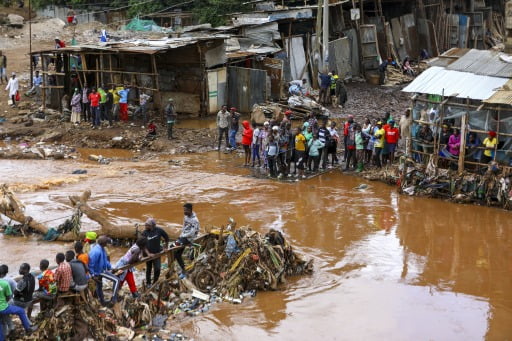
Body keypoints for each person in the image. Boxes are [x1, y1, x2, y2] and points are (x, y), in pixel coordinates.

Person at [0, 266, 37, 338]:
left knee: (1, 321)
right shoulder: (6, 282)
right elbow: (9, 296)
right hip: (3, 306)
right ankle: (28, 329)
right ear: (6, 272)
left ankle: (4, 335)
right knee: (21, 311)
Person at [89, 236, 119, 306]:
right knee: (117, 280)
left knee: (99, 286)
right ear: (104, 243)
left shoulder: (101, 248)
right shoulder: (96, 251)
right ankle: (113, 300)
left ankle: (102, 302)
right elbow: (90, 264)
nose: (107, 244)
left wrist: (111, 268)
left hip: (100, 270)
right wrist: (93, 275)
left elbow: (105, 261)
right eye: (106, 242)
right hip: (99, 272)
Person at [174, 203, 200, 279]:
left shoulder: (195, 220)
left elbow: (193, 232)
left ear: (190, 210)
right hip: (184, 237)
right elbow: (184, 227)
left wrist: (183, 236)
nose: (184, 211)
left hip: (190, 238)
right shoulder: (185, 217)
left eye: (185, 210)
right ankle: (183, 270)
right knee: (177, 254)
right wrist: (181, 235)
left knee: (174, 246)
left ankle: (184, 271)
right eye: (184, 210)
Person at [141, 218, 169, 286]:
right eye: (145, 225)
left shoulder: (159, 230)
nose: (145, 226)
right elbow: (142, 245)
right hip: (148, 254)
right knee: (149, 268)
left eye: (147, 225)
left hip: (157, 253)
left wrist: (165, 247)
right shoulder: (144, 233)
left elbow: (167, 237)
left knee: (158, 268)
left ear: (152, 226)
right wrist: (148, 254)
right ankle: (148, 283)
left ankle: (155, 283)